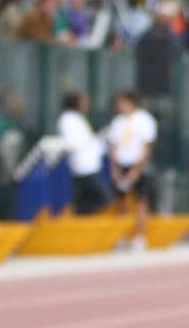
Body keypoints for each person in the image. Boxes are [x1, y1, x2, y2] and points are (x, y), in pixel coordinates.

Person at [103, 89, 159, 245]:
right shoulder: (117, 122)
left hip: (138, 165)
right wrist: (114, 168)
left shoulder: (144, 119)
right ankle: (122, 236)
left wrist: (137, 169)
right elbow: (113, 146)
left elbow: (147, 146)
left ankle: (140, 237)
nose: (119, 106)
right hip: (122, 165)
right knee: (121, 202)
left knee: (141, 201)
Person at [57, 90, 110, 214]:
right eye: (84, 101)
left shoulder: (77, 118)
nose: (87, 104)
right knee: (103, 198)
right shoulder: (68, 119)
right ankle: (80, 216)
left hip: (90, 165)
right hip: (82, 166)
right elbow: (73, 142)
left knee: (85, 199)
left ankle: (81, 217)